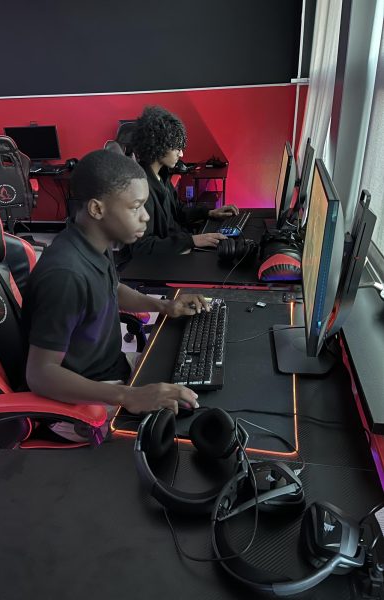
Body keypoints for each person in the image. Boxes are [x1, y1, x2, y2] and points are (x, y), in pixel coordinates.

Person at [22, 149, 207, 432]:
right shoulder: (65, 275)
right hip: (80, 405)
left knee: (194, 388)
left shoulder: (93, 242)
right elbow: (40, 375)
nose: (145, 217)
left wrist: (165, 306)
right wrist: (128, 396)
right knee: (188, 433)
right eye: (135, 207)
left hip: (111, 373)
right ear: (97, 209)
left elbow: (111, 288)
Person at [120, 105, 239, 261]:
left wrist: (208, 213)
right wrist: (192, 241)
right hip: (162, 262)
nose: (181, 154)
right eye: (176, 148)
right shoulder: (141, 189)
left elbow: (177, 210)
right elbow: (142, 247)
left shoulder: (161, 175)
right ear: (159, 146)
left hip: (179, 244)